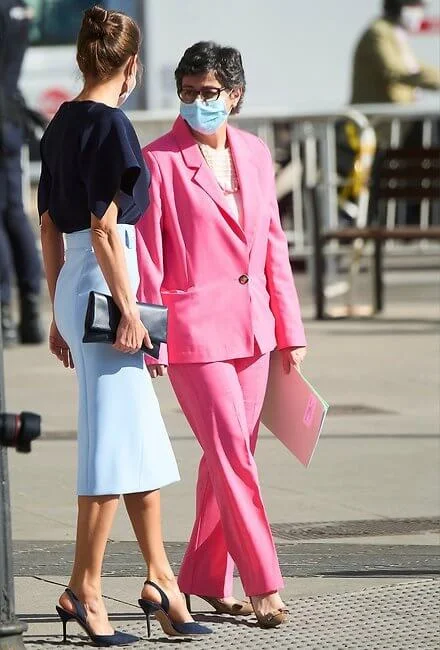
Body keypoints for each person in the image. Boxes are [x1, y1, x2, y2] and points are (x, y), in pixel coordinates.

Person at [38, 7, 210, 645]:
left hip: (76, 286)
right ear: (132, 67)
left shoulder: (59, 124)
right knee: (113, 443)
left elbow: (51, 226)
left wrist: (59, 308)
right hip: (110, 288)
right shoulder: (113, 126)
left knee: (137, 438)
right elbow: (108, 227)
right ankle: (83, 589)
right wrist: (131, 310)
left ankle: (161, 579)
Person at [136, 41, 307, 629]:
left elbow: (273, 248)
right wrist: (151, 336)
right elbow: (147, 259)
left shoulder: (256, 153)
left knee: (226, 460)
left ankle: (206, 577)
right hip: (192, 334)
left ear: (234, 95)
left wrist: (290, 328)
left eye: (209, 93)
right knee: (232, 454)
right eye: (187, 93)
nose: (197, 103)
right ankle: (263, 582)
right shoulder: (157, 160)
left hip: (254, 329)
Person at [0, 0, 44, 346]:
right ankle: (29, 314)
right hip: (9, 121)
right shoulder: (18, 7)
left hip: (6, 119)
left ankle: (5, 315)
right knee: (14, 214)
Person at [351, 0, 440, 106]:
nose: (419, 12)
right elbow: (394, 71)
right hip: (378, 118)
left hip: (396, 115)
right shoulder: (378, 32)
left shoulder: (395, 33)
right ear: (397, 6)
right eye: (414, 6)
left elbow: (413, 66)